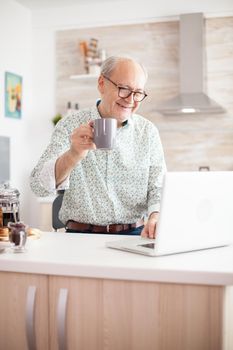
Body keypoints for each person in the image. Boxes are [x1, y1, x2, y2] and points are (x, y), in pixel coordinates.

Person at [30, 55, 166, 238]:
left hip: (134, 235)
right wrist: (73, 154)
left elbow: (158, 186)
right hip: (79, 237)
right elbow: (38, 186)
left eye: (138, 93)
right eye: (124, 89)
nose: (131, 100)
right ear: (102, 83)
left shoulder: (147, 132)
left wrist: (155, 215)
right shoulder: (70, 125)